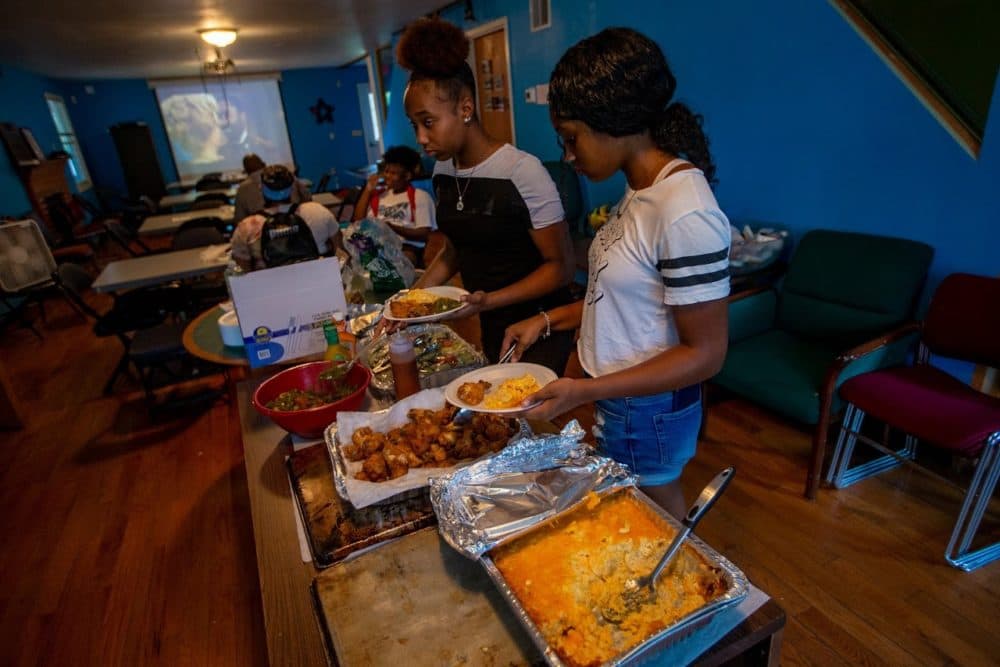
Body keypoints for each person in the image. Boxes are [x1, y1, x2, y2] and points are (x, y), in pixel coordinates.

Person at [501, 28, 731, 517]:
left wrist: (586, 391)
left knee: (651, 511)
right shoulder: (641, 190)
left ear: (614, 122)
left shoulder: (684, 210)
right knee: (624, 509)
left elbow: (706, 354)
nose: (568, 155)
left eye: (571, 139)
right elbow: (619, 300)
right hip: (620, 398)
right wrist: (547, 321)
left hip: (646, 408)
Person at [398, 17, 576, 373]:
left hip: (540, 323)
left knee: (526, 414)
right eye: (414, 125)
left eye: (428, 122)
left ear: (465, 108)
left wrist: (488, 300)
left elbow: (562, 268)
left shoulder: (521, 172)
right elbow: (454, 250)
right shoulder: (444, 170)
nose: (420, 138)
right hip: (490, 318)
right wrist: (409, 301)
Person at [230, 165, 339, 271]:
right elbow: (340, 251)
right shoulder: (318, 211)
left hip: (270, 287)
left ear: (261, 189)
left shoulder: (247, 227)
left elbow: (242, 271)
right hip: (319, 281)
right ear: (292, 188)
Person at [352, 146, 437, 267]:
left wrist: (391, 228)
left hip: (406, 247)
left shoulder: (420, 196)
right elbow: (358, 221)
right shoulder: (380, 196)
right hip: (377, 246)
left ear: (407, 176)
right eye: (386, 171)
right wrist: (368, 190)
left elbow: (423, 233)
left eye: (393, 173)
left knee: (401, 263)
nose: (387, 176)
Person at [233, 155, 312, 223]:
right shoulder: (287, 176)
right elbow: (308, 198)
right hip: (297, 222)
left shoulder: (242, 189)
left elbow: (240, 219)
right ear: (263, 164)